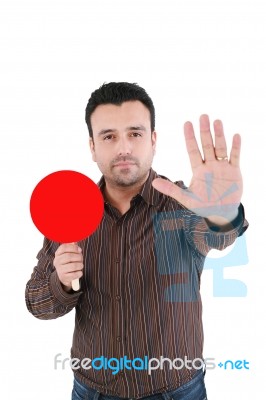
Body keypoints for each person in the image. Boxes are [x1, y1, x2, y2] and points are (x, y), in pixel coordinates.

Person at [25, 82, 248, 400]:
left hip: (178, 390)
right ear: (92, 146)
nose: (123, 148)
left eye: (135, 133)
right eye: (109, 136)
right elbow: (37, 304)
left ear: (153, 140)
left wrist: (223, 213)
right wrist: (61, 282)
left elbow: (220, 236)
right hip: (93, 391)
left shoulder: (186, 203)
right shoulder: (67, 211)